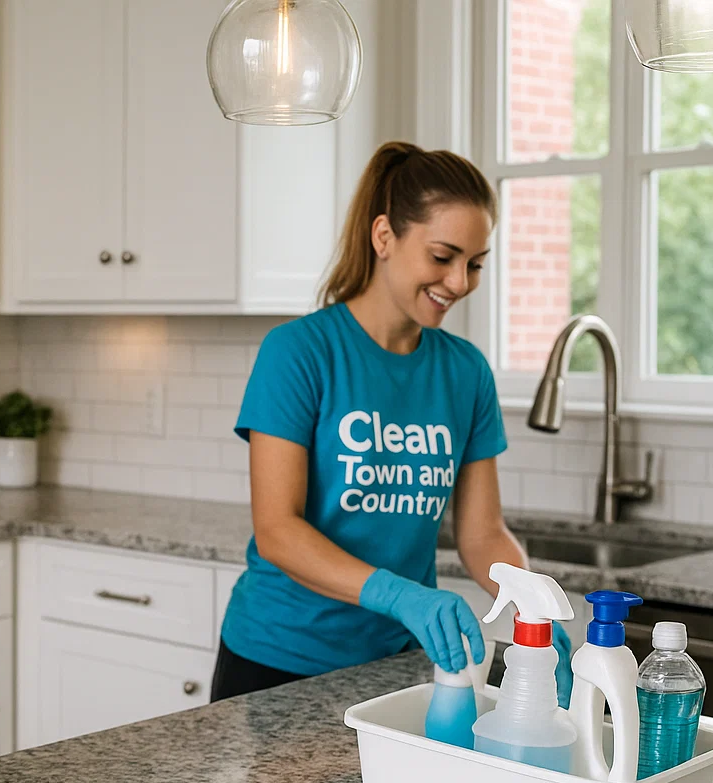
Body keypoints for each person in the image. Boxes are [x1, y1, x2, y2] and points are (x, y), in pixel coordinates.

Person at [212, 141, 572, 701]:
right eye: (442, 256)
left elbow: (481, 534)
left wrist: (532, 603)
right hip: (279, 657)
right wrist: (400, 595)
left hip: (392, 667)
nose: (459, 282)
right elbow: (278, 530)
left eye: (475, 264)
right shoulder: (300, 353)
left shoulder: (465, 372)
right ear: (384, 237)